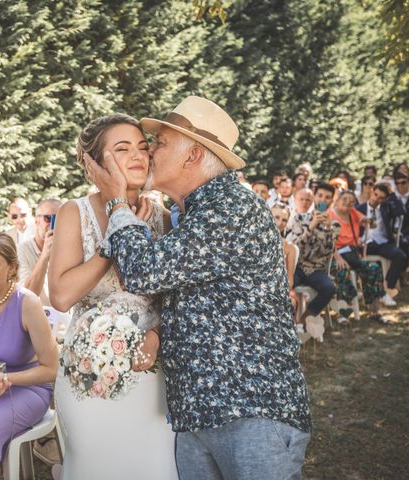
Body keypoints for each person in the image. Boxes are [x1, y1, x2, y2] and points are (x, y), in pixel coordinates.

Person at [86, 97, 311, 479]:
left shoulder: (230, 206)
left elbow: (143, 271)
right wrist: (160, 331)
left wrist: (117, 202)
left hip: (251, 412)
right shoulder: (192, 211)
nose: (149, 149)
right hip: (199, 414)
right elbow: (203, 300)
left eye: (160, 142)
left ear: (192, 155)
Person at [49, 113, 177, 480]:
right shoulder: (75, 213)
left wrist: (158, 336)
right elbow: (60, 296)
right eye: (122, 149)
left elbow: (181, 304)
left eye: (142, 147)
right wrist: (114, 239)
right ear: (94, 165)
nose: (138, 155)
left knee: (156, 468)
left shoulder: (166, 219)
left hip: (152, 377)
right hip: (89, 381)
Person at [0, 233, 57, 478]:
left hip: (29, 388)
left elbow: (51, 369)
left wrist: (3, 379)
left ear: (12, 267)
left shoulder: (27, 303)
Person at [329, 191, 392, 323]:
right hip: (335, 256)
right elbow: (327, 242)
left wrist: (367, 220)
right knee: (342, 271)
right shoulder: (330, 215)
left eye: (352, 201)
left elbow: (372, 224)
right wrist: (338, 258)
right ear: (337, 199)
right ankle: (343, 312)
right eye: (345, 199)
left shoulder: (353, 213)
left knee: (373, 268)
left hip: (352, 255)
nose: (348, 202)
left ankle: (374, 309)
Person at [286, 183, 340, 330]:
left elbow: (326, 252)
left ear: (331, 201)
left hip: (316, 270)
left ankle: (303, 321)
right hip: (298, 266)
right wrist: (311, 226)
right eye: (320, 196)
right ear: (314, 197)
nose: (323, 200)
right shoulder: (299, 219)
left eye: (327, 197)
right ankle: (286, 321)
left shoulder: (334, 226)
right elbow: (297, 248)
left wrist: (327, 229)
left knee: (329, 288)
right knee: (283, 284)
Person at [356, 183, 407, 296]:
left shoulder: (386, 208)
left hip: (382, 242)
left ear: (385, 199)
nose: (376, 199)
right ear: (371, 191)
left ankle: (388, 287)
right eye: (375, 195)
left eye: (381, 198)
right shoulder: (360, 208)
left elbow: (401, 212)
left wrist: (392, 194)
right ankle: (365, 290)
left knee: (400, 255)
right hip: (365, 243)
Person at [18, 198, 61, 306]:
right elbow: (26, 295)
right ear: (36, 221)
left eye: (59, 219)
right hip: (38, 318)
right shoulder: (22, 250)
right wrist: (45, 254)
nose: (53, 224)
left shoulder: (68, 250)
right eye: (48, 218)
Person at [270, 204, 298, 314]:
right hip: (255, 287)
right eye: (276, 217)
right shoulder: (254, 241)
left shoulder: (289, 248)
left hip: (280, 288)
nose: (280, 222)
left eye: (284, 220)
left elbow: (290, 281)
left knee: (288, 301)